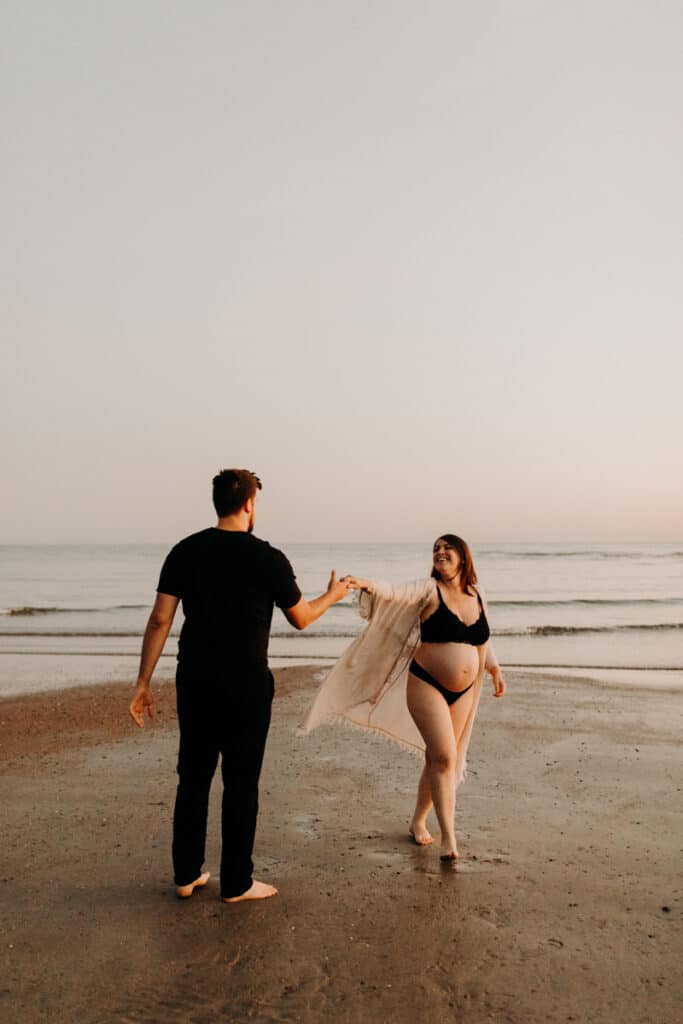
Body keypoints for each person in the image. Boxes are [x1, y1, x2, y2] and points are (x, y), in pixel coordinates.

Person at [129, 468, 351, 903]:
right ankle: (237, 882)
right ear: (249, 504)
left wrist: (142, 683)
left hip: (194, 679)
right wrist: (335, 595)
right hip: (246, 684)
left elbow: (160, 620)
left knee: (192, 776)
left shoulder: (184, 551)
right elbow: (302, 617)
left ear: (218, 502)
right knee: (241, 781)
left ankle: (186, 874)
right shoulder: (268, 557)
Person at [303, 535, 505, 860]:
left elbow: (483, 637)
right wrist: (364, 584)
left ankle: (418, 821)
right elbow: (394, 593)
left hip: (466, 690)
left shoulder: (477, 594)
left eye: (446, 547)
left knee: (438, 759)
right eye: (436, 548)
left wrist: (494, 668)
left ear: (463, 558)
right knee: (443, 758)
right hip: (427, 684)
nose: (440, 552)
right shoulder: (428, 590)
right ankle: (449, 839)